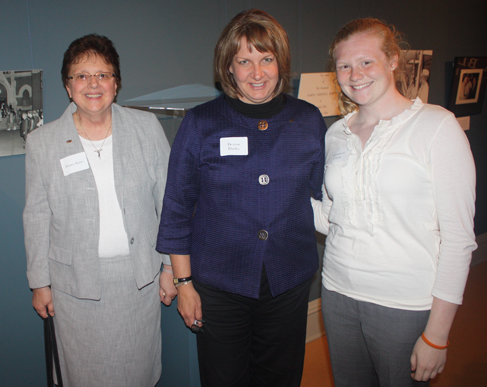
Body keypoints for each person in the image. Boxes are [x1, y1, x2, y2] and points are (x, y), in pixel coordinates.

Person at [157, 9, 327, 387]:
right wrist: (183, 283)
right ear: (228, 68)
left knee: (280, 377)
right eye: (244, 61)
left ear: (280, 62)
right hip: (219, 285)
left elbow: (321, 195)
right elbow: (177, 208)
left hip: (288, 279)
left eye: (266, 59)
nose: (257, 73)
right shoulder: (201, 123)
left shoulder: (308, 119)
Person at [311, 18, 476, 386]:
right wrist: (270, 194)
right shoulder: (336, 133)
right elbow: (331, 216)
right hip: (337, 295)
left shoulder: (437, 127)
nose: (356, 74)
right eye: (344, 66)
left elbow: (459, 240)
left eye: (366, 62)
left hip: (405, 304)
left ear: (393, 61)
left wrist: (437, 335)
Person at [23, 33, 176, 387]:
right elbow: (36, 216)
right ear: (68, 86)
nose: (93, 84)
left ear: (116, 83)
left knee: (139, 373)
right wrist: (39, 282)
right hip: (75, 289)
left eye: (103, 74)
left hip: (138, 282)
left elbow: (169, 200)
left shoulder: (145, 128)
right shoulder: (42, 142)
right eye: (81, 75)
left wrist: (170, 266)